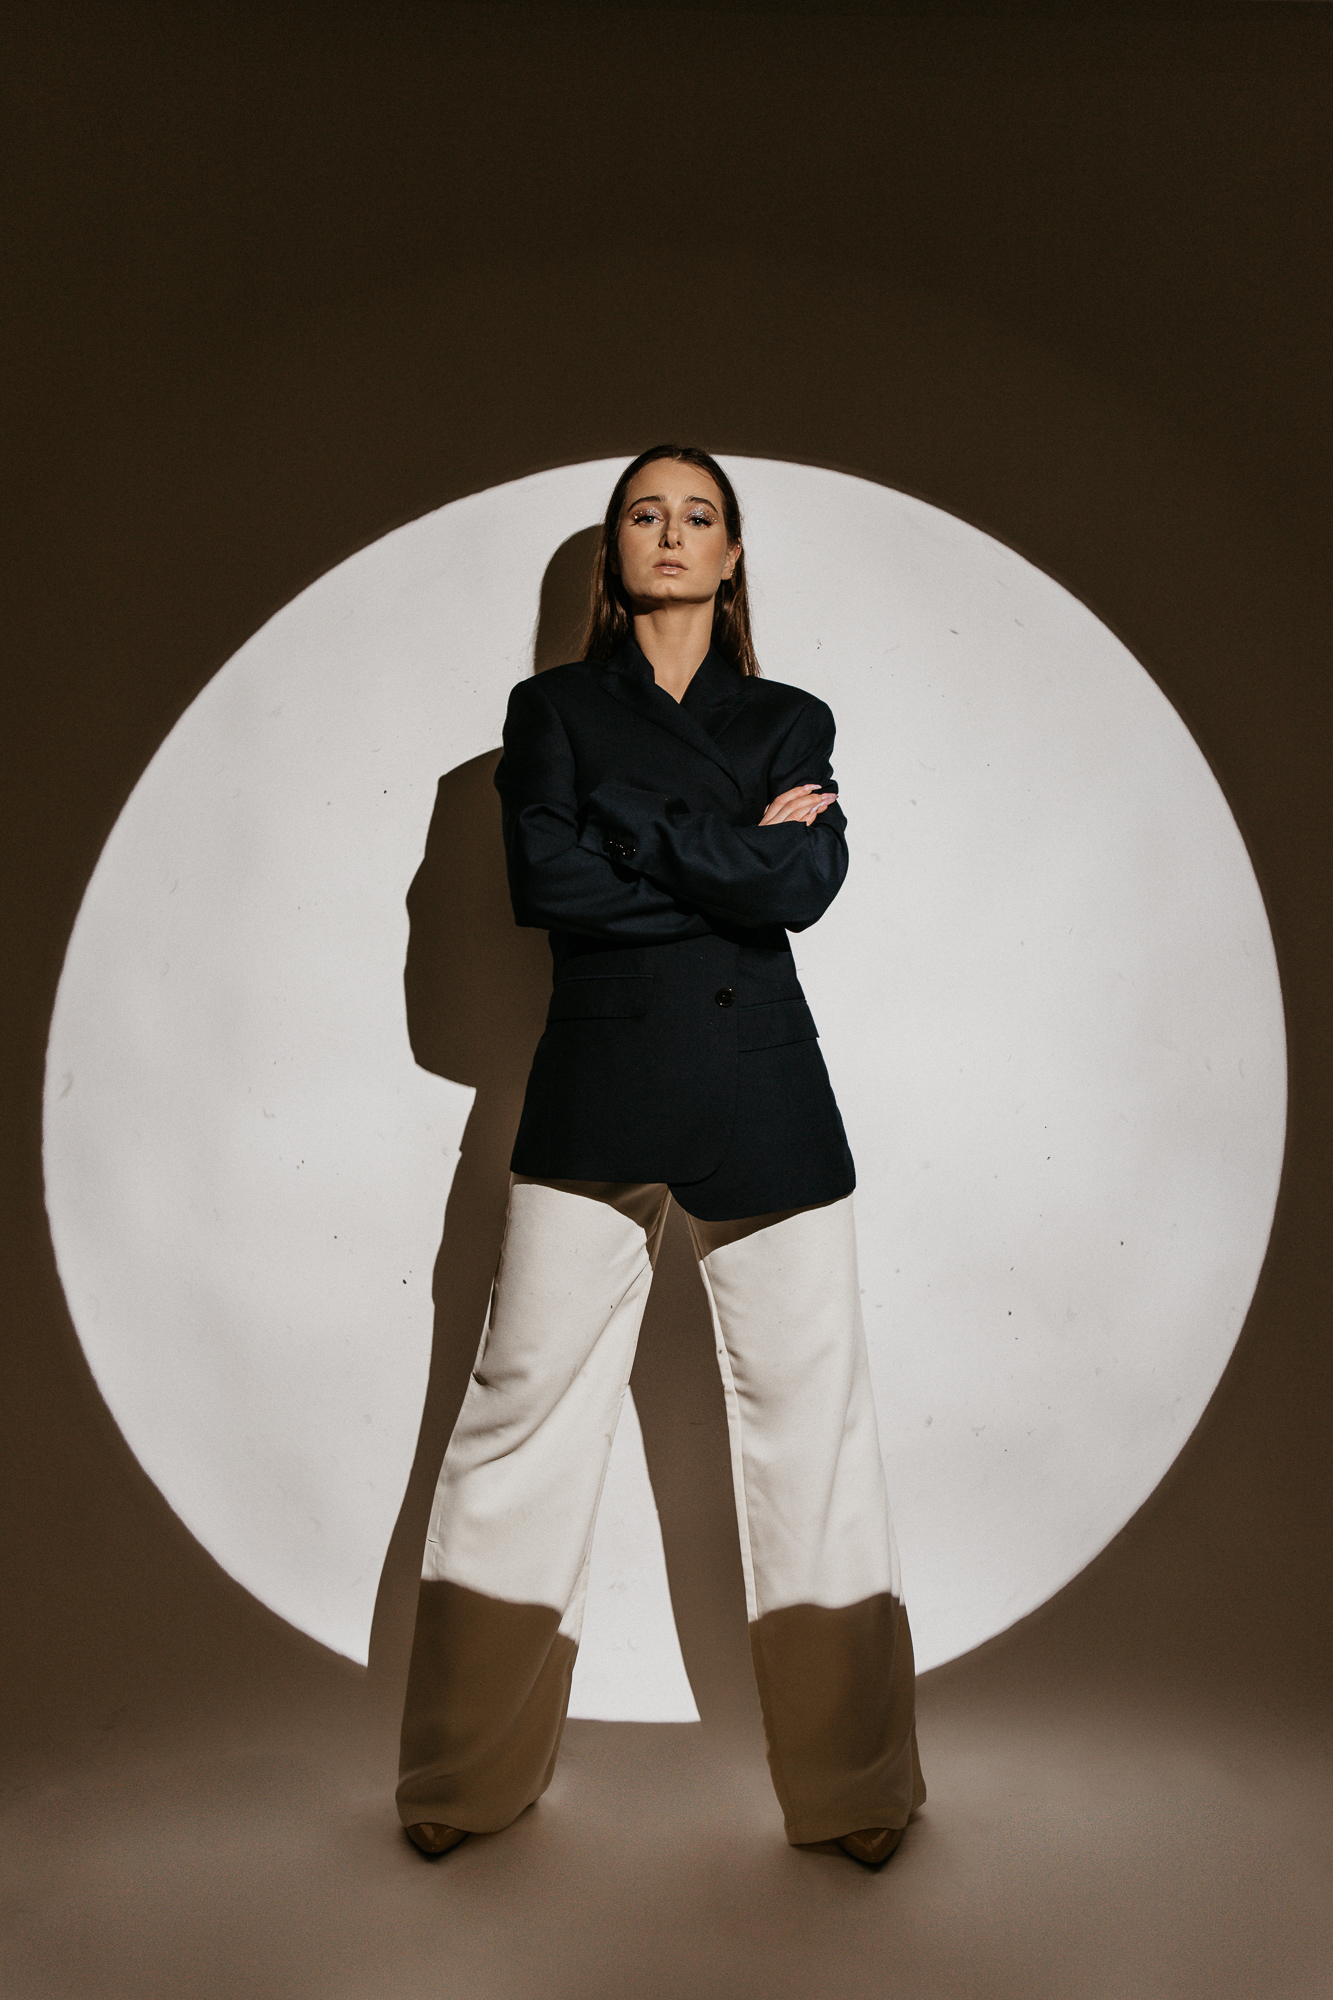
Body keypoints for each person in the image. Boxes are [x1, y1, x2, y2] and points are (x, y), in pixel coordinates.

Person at [396, 445, 925, 1867]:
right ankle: (460, 1776)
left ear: (733, 554)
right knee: (520, 1414)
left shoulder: (789, 715)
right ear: (613, 551)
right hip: (599, 1084)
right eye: (647, 514)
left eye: (699, 516)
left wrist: (628, 829)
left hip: (764, 1086)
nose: (672, 534)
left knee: (816, 1432)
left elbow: (803, 885)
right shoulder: (550, 709)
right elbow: (543, 882)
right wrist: (725, 852)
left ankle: (857, 1791)